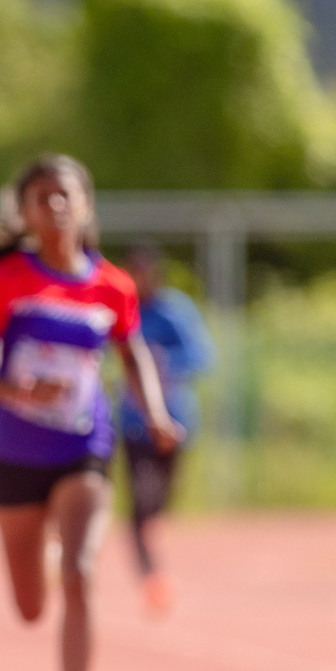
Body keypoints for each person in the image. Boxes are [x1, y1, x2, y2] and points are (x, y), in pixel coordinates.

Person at [0, 154, 180, 671]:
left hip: (84, 448)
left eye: (64, 196)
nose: (53, 208)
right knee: (30, 608)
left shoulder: (114, 287)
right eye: (40, 198)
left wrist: (153, 413)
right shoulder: (8, 286)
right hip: (15, 454)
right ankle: (43, 559)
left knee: (80, 572)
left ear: (85, 205)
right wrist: (15, 392)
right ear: (23, 212)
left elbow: (133, 357)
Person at [117, 242, 214, 616]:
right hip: (133, 422)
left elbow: (202, 355)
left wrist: (163, 362)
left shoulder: (174, 311)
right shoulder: (123, 310)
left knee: (160, 501)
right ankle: (151, 577)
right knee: (140, 502)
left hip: (174, 421)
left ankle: (152, 533)